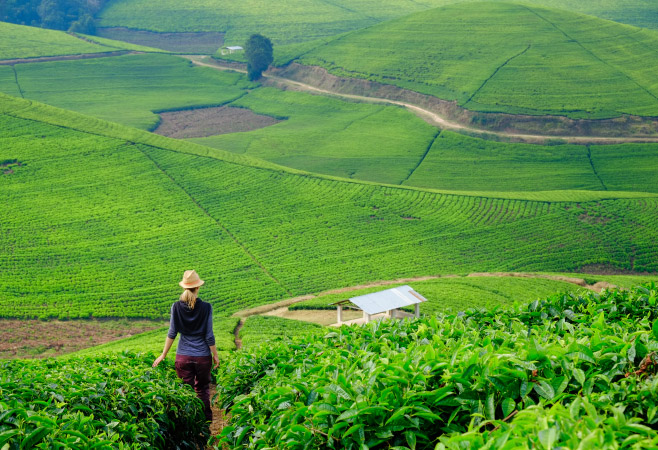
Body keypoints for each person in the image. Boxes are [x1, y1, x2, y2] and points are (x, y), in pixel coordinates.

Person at [152, 270, 220, 422]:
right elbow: (209, 335)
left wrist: (163, 354)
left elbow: (172, 332)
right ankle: (205, 422)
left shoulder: (176, 307)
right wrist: (215, 355)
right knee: (202, 390)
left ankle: (189, 423)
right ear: (198, 288)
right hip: (202, 357)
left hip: (183, 356)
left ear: (184, 287)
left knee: (185, 391)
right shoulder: (206, 307)